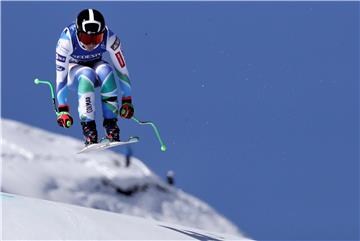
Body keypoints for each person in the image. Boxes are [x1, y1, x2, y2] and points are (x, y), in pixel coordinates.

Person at [55, 9, 134, 145]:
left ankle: (111, 126)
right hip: (74, 74)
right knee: (87, 74)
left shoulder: (110, 38)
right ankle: (89, 130)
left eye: (96, 38)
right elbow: (61, 77)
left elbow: (121, 70)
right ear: (78, 34)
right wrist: (63, 108)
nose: (91, 44)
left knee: (106, 70)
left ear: (102, 34)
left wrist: (127, 99)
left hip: (96, 67)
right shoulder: (66, 41)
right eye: (87, 38)